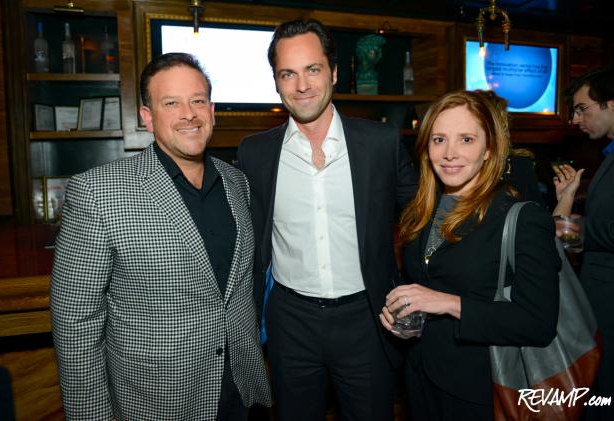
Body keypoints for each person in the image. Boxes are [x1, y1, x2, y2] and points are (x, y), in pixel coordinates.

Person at [50, 53, 271, 421]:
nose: (189, 113)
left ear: (212, 110)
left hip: (240, 392)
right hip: (160, 402)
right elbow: (75, 322)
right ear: (147, 117)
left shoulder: (237, 183)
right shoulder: (98, 192)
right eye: (171, 103)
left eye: (198, 100)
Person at [237, 19, 418, 421]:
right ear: (276, 82)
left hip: (368, 320)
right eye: (288, 73)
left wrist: (418, 292)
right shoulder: (255, 153)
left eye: (312, 69)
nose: (301, 85)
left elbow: (423, 221)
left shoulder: (379, 143)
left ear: (334, 73)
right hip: (290, 323)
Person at [380, 90, 560, 420]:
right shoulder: (422, 211)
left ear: (489, 148)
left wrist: (448, 303)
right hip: (421, 381)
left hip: (481, 392)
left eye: (466, 139)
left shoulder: (520, 217)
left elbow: (538, 323)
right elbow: (424, 284)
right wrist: (407, 326)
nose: (449, 153)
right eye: (439, 139)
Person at [552, 67, 614, 421]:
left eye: (582, 109)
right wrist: (567, 203)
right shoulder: (607, 156)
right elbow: (569, 243)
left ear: (610, 104)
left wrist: (574, 227)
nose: (575, 120)